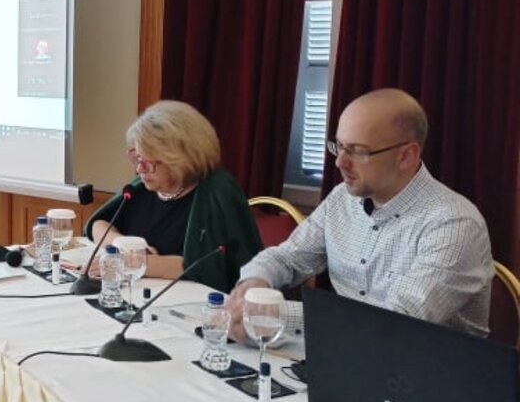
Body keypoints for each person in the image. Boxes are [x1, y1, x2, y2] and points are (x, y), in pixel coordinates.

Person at [227, 89, 493, 339]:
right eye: (339, 146)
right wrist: (254, 283)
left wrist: (274, 313)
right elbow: (288, 257)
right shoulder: (342, 199)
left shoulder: (454, 223)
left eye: (357, 151)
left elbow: (395, 322)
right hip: (348, 350)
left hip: (428, 365)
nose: (340, 162)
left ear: (406, 156)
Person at [78, 100, 263, 292]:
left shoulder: (217, 191)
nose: (140, 169)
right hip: (142, 292)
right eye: (138, 158)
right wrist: (122, 244)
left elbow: (204, 266)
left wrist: (134, 262)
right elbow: (98, 224)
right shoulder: (143, 186)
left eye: (149, 161)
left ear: (181, 160)